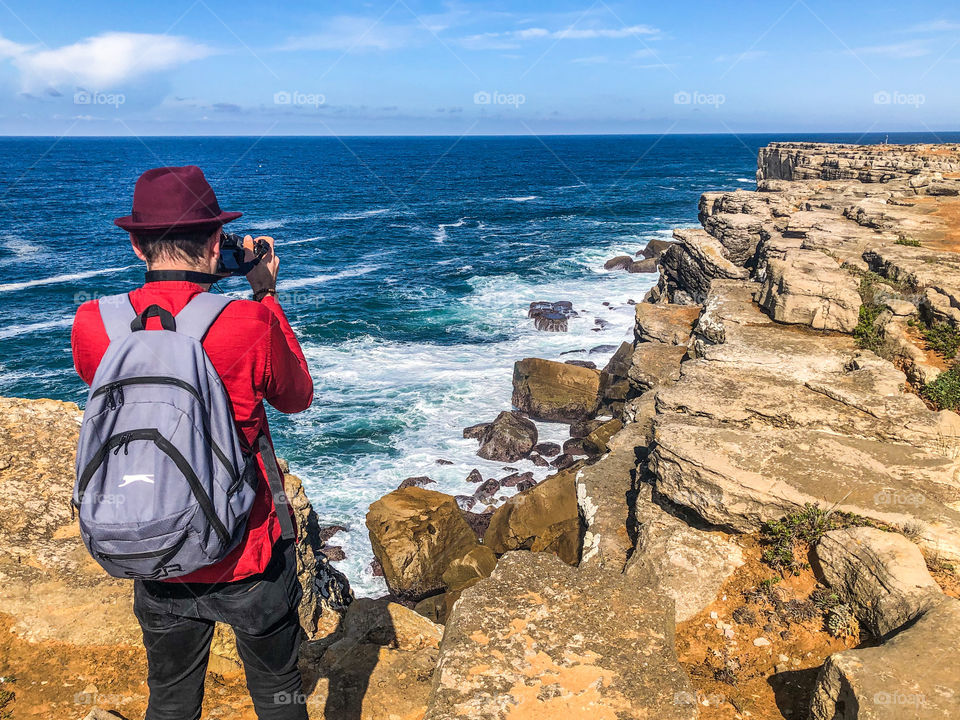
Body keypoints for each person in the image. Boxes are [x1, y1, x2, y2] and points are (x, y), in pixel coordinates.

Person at [71, 165, 314, 720]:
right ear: (214, 244)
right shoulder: (249, 322)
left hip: (153, 543)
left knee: (172, 697)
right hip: (246, 550)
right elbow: (297, 394)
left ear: (136, 245)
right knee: (279, 689)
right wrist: (264, 292)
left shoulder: (93, 324)